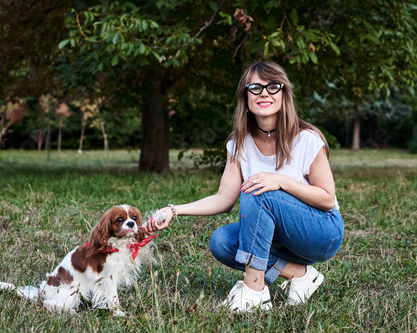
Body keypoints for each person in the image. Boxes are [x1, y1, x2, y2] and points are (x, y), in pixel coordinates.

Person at [145, 61, 344, 312]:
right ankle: (301, 275)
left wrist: (279, 181)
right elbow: (223, 199)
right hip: (278, 238)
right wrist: (174, 210)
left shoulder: (307, 139)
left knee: (259, 188)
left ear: (284, 94)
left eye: (273, 86)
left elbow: (327, 199)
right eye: (255, 87)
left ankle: (254, 292)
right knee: (222, 241)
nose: (264, 93)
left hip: (321, 232)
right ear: (245, 96)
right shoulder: (239, 144)